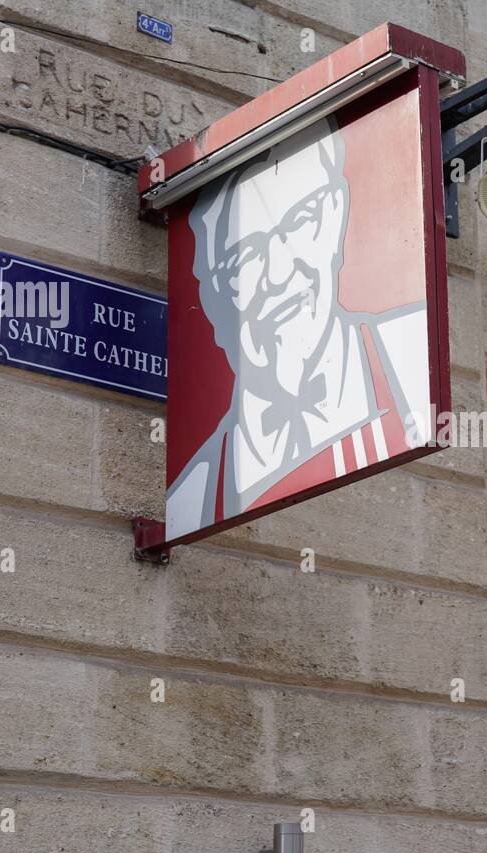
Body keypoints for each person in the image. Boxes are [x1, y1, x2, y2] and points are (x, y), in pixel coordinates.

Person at [165, 115, 430, 539]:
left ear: (337, 215)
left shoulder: (416, 365)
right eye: (244, 255)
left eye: (301, 221)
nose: (280, 271)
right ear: (212, 299)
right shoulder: (186, 501)